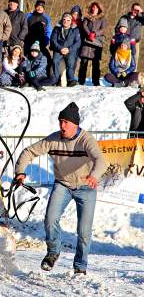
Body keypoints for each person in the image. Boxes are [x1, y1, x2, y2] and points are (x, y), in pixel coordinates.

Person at [15, 102, 106, 275]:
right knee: (50, 219)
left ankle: (80, 266)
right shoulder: (53, 139)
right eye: (60, 121)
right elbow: (29, 152)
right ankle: (53, 252)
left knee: (84, 231)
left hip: (85, 186)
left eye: (66, 122)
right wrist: (20, 172)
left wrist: (94, 175)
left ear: (75, 124)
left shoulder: (86, 140)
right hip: (62, 184)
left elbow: (100, 160)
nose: (62, 126)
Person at [78, 2, 105, 86]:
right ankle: (81, 80)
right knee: (83, 62)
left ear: (99, 9)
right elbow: (84, 26)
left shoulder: (102, 19)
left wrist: (95, 34)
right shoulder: (87, 17)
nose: (94, 9)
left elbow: (103, 29)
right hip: (86, 41)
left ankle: (96, 81)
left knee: (96, 64)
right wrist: (89, 34)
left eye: (96, 8)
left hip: (97, 43)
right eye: (93, 7)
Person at [50, 12, 81, 87]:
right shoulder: (57, 28)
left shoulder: (75, 30)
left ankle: (70, 80)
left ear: (71, 21)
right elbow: (53, 40)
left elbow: (78, 43)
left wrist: (69, 49)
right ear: (62, 20)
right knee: (55, 61)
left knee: (71, 63)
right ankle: (56, 80)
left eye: (68, 20)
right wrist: (60, 49)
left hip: (70, 50)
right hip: (59, 49)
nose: (66, 21)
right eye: (64, 19)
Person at [25, 0, 52, 74]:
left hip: (41, 43)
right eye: (38, 6)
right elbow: (25, 29)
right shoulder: (29, 17)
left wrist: (46, 41)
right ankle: (27, 77)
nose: (39, 8)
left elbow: (48, 31)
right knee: (28, 60)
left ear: (44, 8)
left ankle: (45, 75)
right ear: (35, 7)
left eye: (41, 7)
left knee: (46, 59)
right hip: (29, 42)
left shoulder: (46, 19)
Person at [116, 3, 144, 68]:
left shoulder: (140, 19)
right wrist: (120, 37)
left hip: (135, 42)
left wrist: (141, 13)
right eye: (134, 9)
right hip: (123, 42)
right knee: (122, 61)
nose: (135, 11)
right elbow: (117, 28)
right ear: (131, 9)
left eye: (137, 10)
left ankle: (133, 76)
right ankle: (121, 75)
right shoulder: (124, 17)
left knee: (134, 61)